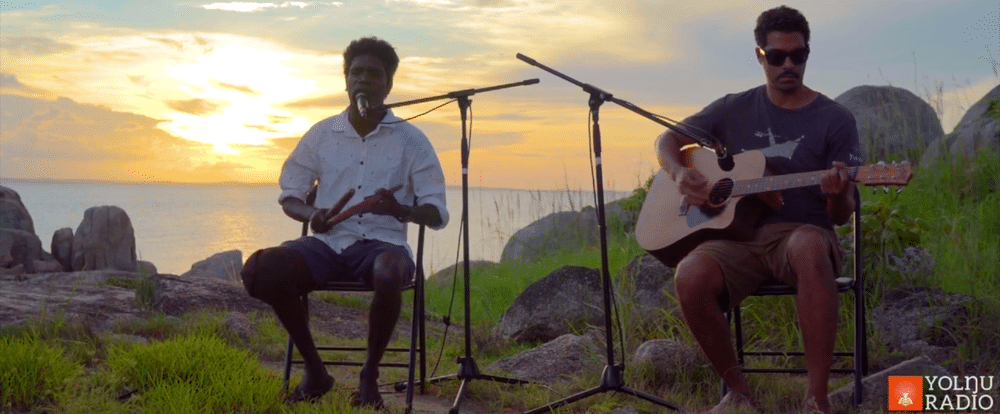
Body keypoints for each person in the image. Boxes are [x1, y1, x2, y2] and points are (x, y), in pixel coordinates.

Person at [654, 5, 860, 414]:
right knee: (690, 274)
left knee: (806, 245)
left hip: (806, 233)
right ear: (759, 55)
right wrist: (679, 174)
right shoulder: (733, 108)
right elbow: (667, 140)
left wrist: (837, 192)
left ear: (806, 54)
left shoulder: (836, 119)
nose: (788, 65)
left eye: (797, 55)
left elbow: (840, 215)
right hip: (737, 238)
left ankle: (816, 400)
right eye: (776, 56)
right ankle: (739, 393)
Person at [240, 37, 448, 408]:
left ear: (389, 84)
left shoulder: (412, 140)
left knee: (388, 272)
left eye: (374, 74)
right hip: (327, 244)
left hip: (383, 247)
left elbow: (436, 211)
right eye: (356, 73)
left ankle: (369, 375)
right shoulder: (322, 134)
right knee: (261, 269)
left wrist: (399, 210)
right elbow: (290, 193)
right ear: (346, 80)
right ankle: (316, 371)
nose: (363, 81)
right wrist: (313, 215)